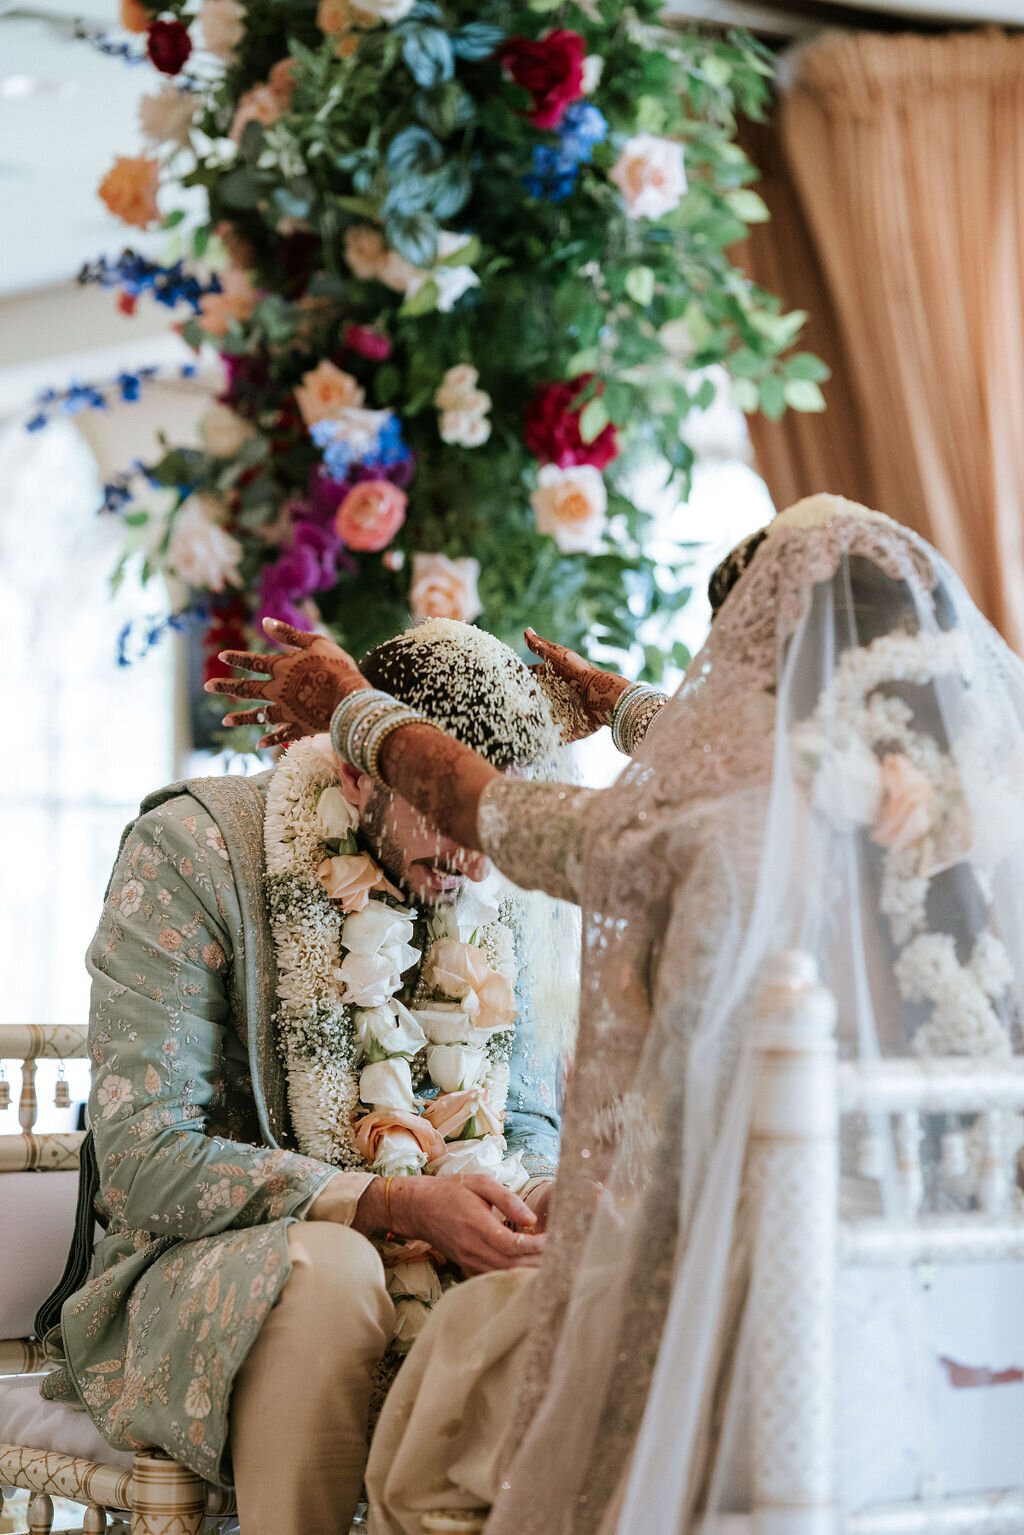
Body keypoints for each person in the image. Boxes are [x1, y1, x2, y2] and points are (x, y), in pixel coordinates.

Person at [211, 493, 1024, 1533]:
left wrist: (349, 705)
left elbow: (483, 807)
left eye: (731, 661)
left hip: (767, 1336)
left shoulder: (720, 837)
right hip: (963, 1357)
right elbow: (741, 767)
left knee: (441, 1409)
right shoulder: (962, 821)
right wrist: (626, 704)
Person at [39, 618, 578, 1535]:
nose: (477, 859)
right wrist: (392, 1203)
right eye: (448, 816)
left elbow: (521, 1123)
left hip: (435, 1259)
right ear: (358, 771)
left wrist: (535, 1195)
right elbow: (143, 1159)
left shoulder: (481, 883)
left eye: (494, 825)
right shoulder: (192, 849)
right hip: (192, 1271)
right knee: (333, 1269)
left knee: (557, 1281)